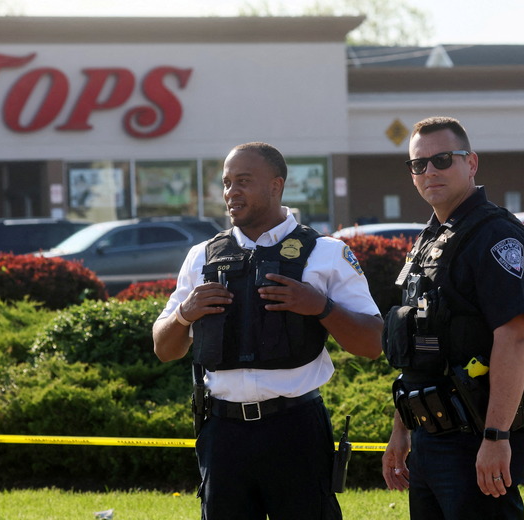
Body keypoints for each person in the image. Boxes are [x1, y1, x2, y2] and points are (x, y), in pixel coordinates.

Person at [152, 142, 383, 520]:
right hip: (222, 434)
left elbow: (373, 343)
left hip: (295, 431)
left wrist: (320, 307)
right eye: (227, 183)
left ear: (277, 186)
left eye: (243, 181)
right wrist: (183, 315)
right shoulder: (202, 257)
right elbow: (164, 348)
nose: (231, 192)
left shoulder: (325, 253)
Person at [381, 116, 524, 519]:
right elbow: (418, 347)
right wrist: (401, 431)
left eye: (442, 160)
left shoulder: (496, 236)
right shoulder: (432, 237)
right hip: (429, 437)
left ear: (471, 163)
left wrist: (496, 436)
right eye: (419, 164)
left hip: (475, 438)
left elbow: (514, 339)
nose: (429, 171)